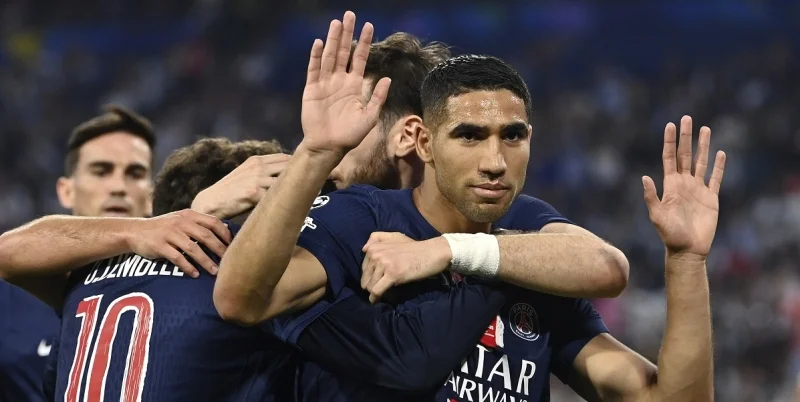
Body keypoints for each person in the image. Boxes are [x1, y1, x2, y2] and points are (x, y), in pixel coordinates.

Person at [214, 11, 724, 401]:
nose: (495, 162)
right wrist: (317, 151)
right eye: (469, 136)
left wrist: (685, 260)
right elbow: (240, 299)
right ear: (424, 142)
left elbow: (610, 271)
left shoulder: (528, 245)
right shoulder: (363, 215)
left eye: (512, 136)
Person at [0, 105, 157, 402]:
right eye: (101, 171)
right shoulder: (8, 293)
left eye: (134, 173)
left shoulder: (178, 287)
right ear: (66, 191)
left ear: (152, 195)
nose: (118, 187)